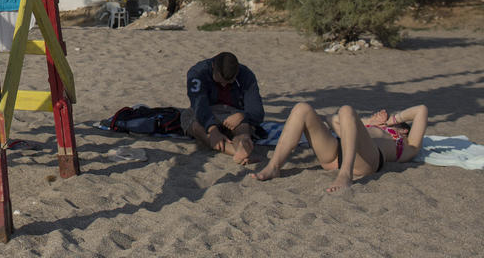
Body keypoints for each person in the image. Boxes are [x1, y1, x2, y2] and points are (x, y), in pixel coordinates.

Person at [253, 103, 429, 192]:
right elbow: (332, 120)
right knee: (302, 108)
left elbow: (421, 110)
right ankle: (274, 166)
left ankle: (345, 175)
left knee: (346, 109)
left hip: (365, 161)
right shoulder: (367, 126)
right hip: (336, 153)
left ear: (404, 130)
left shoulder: (405, 145)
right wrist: (369, 121)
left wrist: (392, 120)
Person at [182, 51, 264, 165]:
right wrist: (212, 129)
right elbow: (199, 105)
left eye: (229, 82)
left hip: (231, 112)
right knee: (191, 121)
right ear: (213, 67)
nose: (224, 85)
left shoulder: (246, 75)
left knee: (243, 125)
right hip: (208, 111)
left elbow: (257, 112)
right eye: (220, 81)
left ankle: (243, 145)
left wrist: (243, 115)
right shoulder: (198, 73)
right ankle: (237, 152)